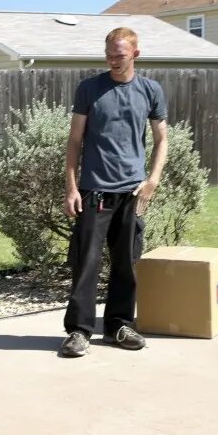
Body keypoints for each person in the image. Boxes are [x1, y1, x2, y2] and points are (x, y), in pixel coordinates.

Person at [60, 27, 169, 358]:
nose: (112, 60)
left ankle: (119, 326)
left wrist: (152, 180)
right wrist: (71, 186)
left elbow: (162, 139)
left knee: (126, 264)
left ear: (135, 54)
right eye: (108, 54)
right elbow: (75, 140)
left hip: (132, 193)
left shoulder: (150, 90)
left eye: (119, 55)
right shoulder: (90, 89)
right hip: (95, 191)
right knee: (86, 263)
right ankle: (79, 331)